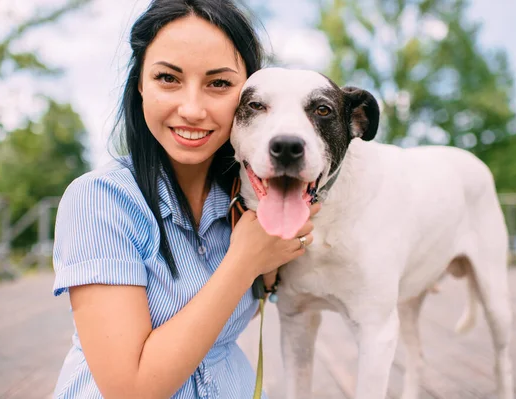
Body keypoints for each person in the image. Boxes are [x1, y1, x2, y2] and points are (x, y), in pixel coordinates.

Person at [51, 0, 320, 398]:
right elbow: (131, 390)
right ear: (140, 83)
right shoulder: (100, 200)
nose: (192, 109)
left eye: (218, 84)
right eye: (168, 78)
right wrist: (244, 261)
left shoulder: (249, 195)